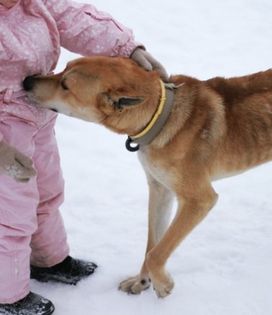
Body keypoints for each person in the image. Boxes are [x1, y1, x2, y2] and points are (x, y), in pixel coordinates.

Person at [0, 0, 168, 314]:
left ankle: (48, 260)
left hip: (36, 112)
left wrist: (126, 47)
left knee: (47, 193)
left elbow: (73, 18)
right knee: (9, 213)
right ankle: (7, 295)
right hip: (3, 134)